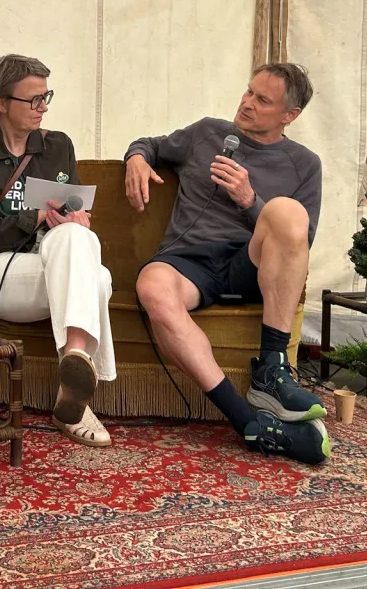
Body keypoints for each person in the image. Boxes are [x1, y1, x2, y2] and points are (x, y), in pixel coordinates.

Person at [125, 63, 330, 465]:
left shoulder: (304, 164)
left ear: (289, 115)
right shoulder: (206, 133)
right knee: (151, 286)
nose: (247, 103)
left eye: (262, 100)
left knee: (287, 212)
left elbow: (299, 244)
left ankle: (272, 369)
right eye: (249, 91)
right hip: (188, 261)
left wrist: (249, 200)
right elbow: (150, 144)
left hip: (250, 263)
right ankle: (248, 422)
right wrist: (136, 158)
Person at [0, 54, 116, 447]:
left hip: (52, 262)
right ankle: (77, 389)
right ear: (0, 102)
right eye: (33, 99)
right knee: (98, 280)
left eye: (46, 97)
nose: (43, 107)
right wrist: (37, 216)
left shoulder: (58, 146)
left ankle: (73, 382)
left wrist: (75, 217)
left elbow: (75, 207)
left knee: (80, 244)